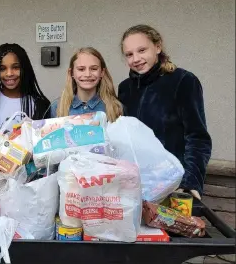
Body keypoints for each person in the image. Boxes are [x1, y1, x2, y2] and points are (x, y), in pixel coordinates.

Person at [118, 24, 212, 199]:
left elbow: (197, 137)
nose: (136, 58)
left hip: (174, 187)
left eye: (142, 50)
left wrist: (190, 183)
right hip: (135, 187)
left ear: (158, 47)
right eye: (129, 54)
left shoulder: (183, 81)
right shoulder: (125, 89)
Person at [0, 43, 51, 135]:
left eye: (16, 67)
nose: (9, 73)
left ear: (25, 69)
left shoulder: (41, 105)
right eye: (2, 68)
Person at [50, 47, 123, 122]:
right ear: (71, 73)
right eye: (81, 69)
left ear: (102, 72)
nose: (87, 74)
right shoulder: (57, 106)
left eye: (94, 69)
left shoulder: (115, 107)